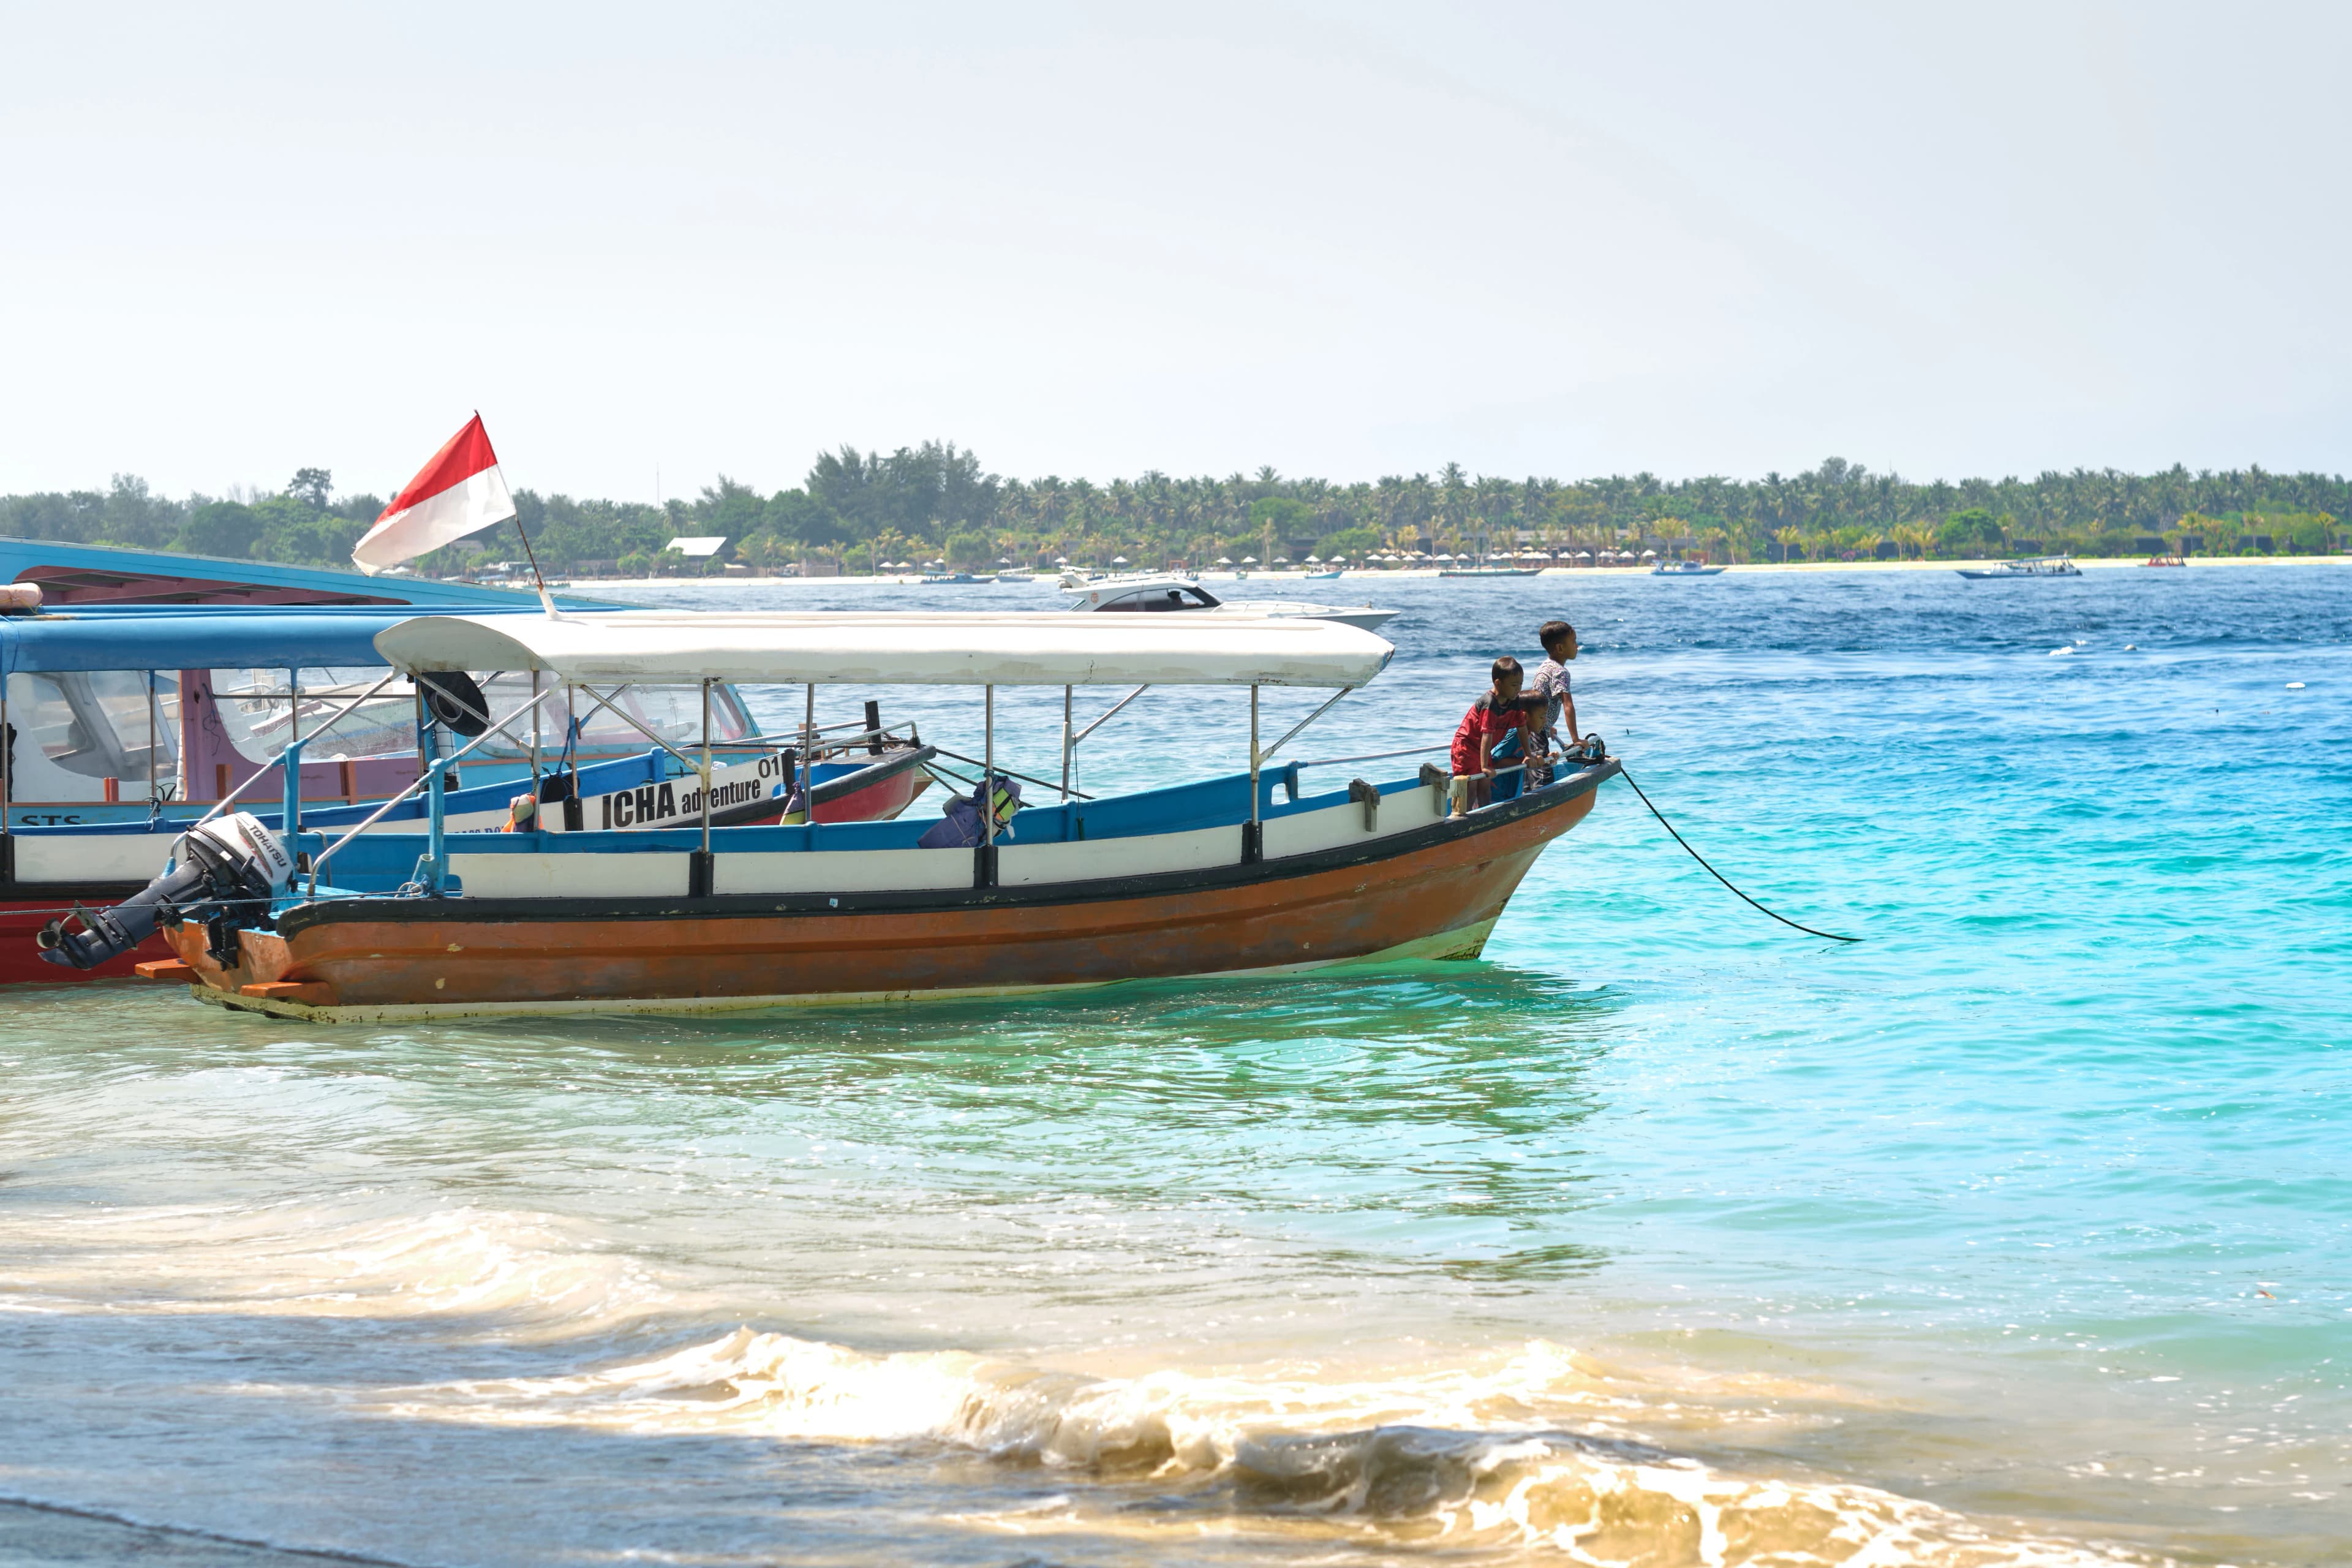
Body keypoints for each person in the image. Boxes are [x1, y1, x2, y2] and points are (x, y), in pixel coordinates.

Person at [1449, 657, 1529, 815]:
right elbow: (1487, 734)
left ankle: (1486, 816)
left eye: (1521, 684)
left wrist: (1529, 755)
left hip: (1481, 750)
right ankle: (1462, 819)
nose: (1518, 689)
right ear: (1498, 684)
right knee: (1470, 786)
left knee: (1486, 784)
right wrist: (1485, 765)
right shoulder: (1490, 703)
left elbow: (1522, 728)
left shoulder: (1514, 701)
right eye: (1514, 685)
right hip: (1465, 747)